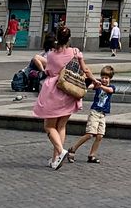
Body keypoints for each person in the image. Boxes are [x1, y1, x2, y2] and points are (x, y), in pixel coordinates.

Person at [32, 25, 97, 168]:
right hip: (69, 91)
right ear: (69, 39)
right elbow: (85, 70)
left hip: (54, 91)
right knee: (61, 126)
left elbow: (48, 70)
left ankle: (61, 152)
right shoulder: (75, 52)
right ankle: (56, 158)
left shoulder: (51, 54)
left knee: (49, 126)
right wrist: (95, 80)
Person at [68, 66, 115, 163]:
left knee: (100, 136)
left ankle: (92, 155)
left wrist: (100, 85)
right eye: (102, 77)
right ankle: (72, 149)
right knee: (90, 134)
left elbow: (110, 90)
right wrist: (89, 82)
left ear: (110, 78)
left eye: (106, 78)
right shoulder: (97, 85)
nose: (104, 79)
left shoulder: (111, 87)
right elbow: (88, 87)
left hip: (103, 114)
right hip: (94, 112)